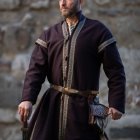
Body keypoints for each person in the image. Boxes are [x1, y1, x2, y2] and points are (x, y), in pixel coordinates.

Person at [18, 0, 126, 140]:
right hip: (52, 108)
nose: (62, 3)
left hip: (84, 110)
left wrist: (116, 102)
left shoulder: (98, 31)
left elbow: (115, 71)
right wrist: (27, 99)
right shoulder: (49, 35)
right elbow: (35, 71)